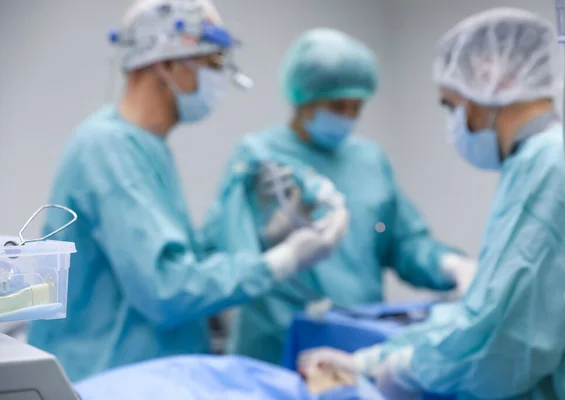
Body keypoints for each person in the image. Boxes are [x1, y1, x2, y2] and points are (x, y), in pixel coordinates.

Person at [28, 0, 348, 382]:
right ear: (165, 62)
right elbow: (167, 289)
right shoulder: (107, 150)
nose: (218, 79)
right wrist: (280, 261)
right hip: (109, 380)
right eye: (211, 64)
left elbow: (179, 261)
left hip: (145, 376)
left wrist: (264, 239)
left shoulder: (147, 148)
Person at [298, 8, 565, 399]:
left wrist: (407, 368)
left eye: (449, 104)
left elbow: (502, 347)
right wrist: (373, 360)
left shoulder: (551, 166)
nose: (454, 120)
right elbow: (482, 318)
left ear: (488, 78)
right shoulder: (554, 157)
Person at [203, 28, 476, 365]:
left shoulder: (369, 161)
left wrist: (450, 264)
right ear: (303, 97)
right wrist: (272, 242)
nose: (347, 116)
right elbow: (225, 255)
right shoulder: (259, 158)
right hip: (274, 345)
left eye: (356, 106)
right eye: (337, 104)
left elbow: (400, 241)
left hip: (355, 342)